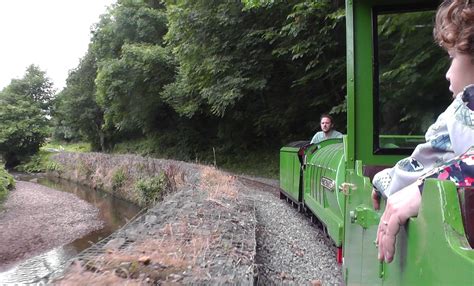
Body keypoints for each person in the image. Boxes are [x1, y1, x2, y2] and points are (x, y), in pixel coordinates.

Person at [373, 0, 474, 263]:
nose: (448, 74)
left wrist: (412, 187)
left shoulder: (464, 108)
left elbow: (423, 162)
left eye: (453, 57)